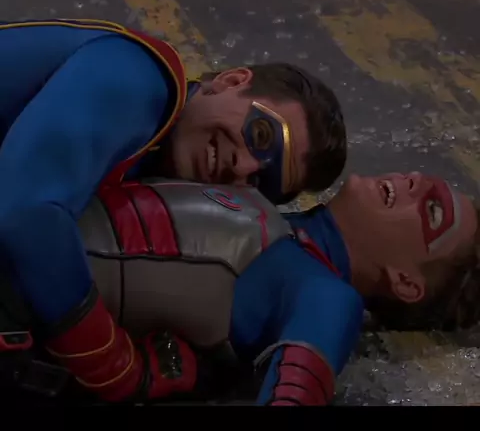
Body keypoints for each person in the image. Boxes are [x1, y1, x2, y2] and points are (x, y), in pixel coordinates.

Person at [0, 17, 347, 397]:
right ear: (231, 81)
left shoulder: (152, 162)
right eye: (261, 135)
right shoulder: (137, 75)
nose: (242, 167)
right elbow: (28, 214)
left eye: (259, 183)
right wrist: (115, 363)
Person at [2, 170, 476, 405]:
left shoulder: (328, 296)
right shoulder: (264, 199)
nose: (416, 180)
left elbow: (293, 397)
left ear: (405, 282)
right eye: (424, 179)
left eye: (431, 210)